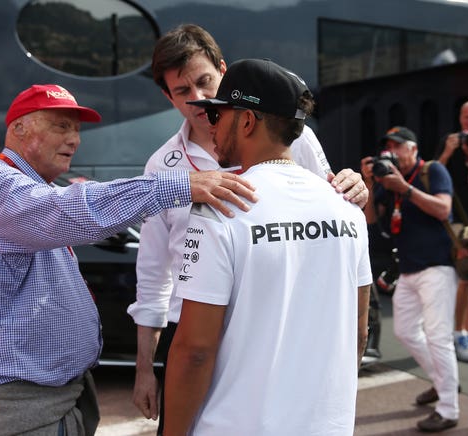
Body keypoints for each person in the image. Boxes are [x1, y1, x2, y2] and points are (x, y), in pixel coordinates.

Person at [0, 83, 258, 436]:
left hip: (52, 397)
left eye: (77, 130)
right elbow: (71, 212)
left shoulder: (31, 187)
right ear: (18, 128)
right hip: (26, 405)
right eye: (61, 126)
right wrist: (177, 186)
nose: (74, 140)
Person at [126, 24, 369, 434]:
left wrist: (353, 190)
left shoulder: (300, 139)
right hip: (189, 325)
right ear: (168, 97)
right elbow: (153, 272)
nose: (200, 101)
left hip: (270, 323)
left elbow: (327, 200)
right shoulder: (160, 165)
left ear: (223, 71)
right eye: (183, 91)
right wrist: (145, 368)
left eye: (205, 83)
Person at [362, 126, 459, 432]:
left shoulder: (433, 170)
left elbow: (444, 209)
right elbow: (370, 220)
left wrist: (404, 188)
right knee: (404, 332)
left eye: (398, 146)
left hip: (438, 267)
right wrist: (368, 181)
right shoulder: (385, 182)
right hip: (407, 269)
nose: (391, 152)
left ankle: (448, 409)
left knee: (438, 336)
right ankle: (442, 382)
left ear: (414, 148)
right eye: (387, 147)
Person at [436, 99, 468, 363]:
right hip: (457, 220)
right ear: (460, 119)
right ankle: (456, 333)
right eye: (466, 117)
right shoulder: (450, 141)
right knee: (466, 275)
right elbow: (433, 175)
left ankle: (467, 330)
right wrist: (448, 151)